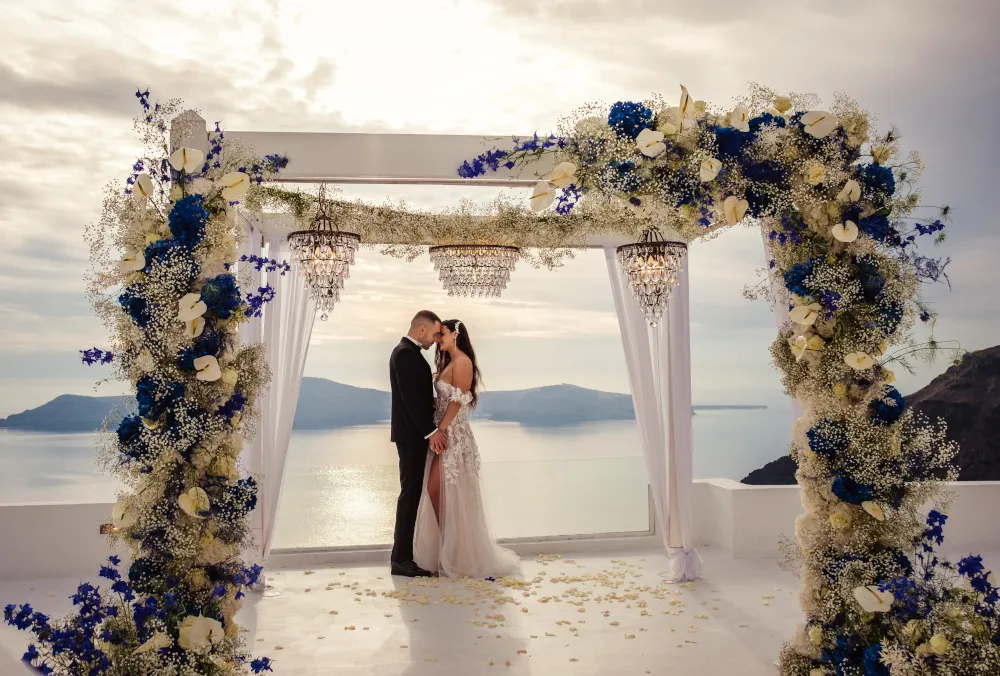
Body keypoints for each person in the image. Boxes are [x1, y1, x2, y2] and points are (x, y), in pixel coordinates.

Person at [412, 319, 519, 578]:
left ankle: (457, 554)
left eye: (443, 334)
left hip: (453, 435)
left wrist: (441, 429)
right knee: (440, 492)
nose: (438, 339)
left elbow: (458, 402)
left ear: (456, 334)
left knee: (447, 492)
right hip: (443, 433)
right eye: (437, 335)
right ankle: (451, 550)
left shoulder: (463, 362)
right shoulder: (450, 362)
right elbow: (444, 399)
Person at [388, 310, 447, 577]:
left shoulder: (407, 353)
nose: (435, 340)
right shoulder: (404, 354)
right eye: (434, 334)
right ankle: (401, 560)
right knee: (409, 494)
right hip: (411, 437)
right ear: (421, 329)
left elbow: (417, 398)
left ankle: (404, 557)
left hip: (412, 435)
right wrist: (431, 431)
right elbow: (410, 401)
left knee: (412, 494)